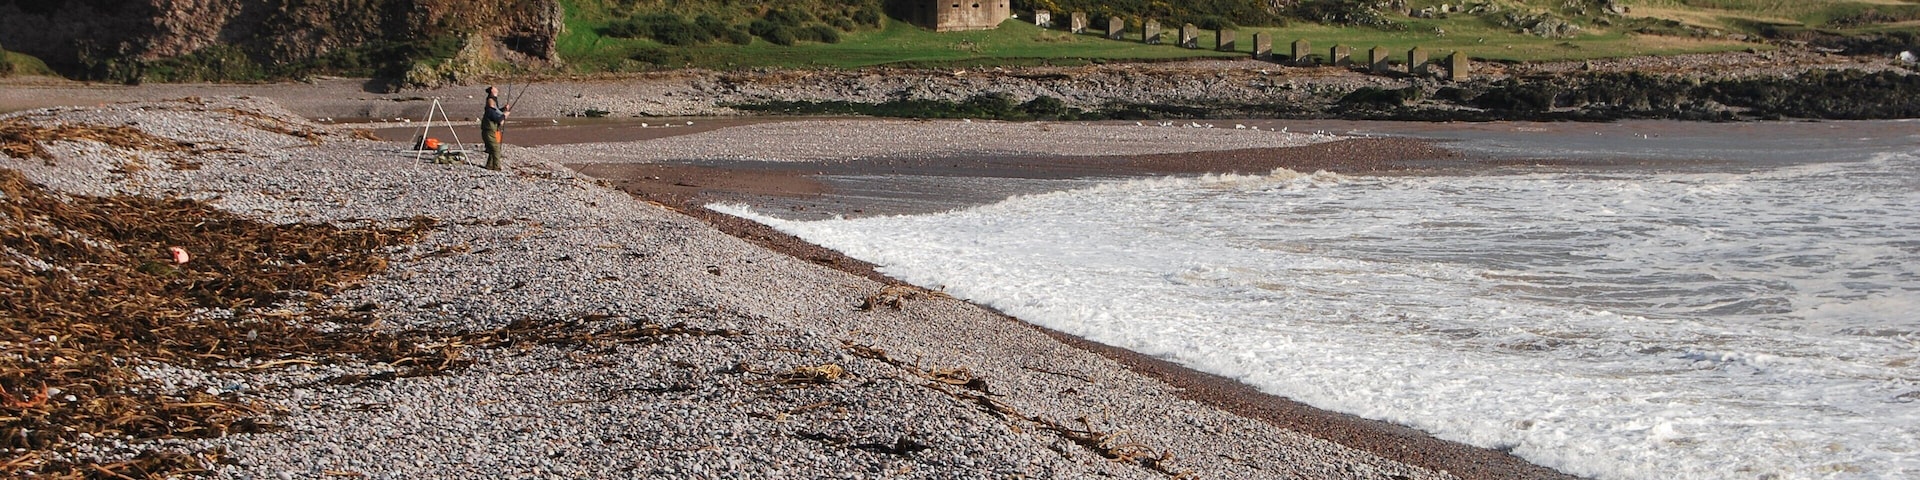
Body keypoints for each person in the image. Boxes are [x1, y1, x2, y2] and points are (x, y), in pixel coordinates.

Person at [481, 86, 511, 170]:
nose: (497, 89)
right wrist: (504, 116)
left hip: (491, 130)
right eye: (494, 88)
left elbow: (496, 111)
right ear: (492, 91)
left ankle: (489, 166)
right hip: (489, 130)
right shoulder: (491, 102)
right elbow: (496, 117)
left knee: (492, 149)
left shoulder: (493, 101)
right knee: (496, 149)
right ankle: (497, 167)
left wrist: (504, 109)